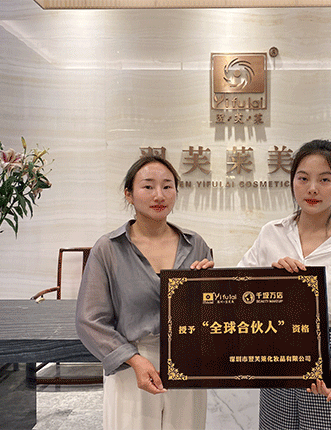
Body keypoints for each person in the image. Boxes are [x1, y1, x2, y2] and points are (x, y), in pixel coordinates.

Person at [239, 139, 331, 430]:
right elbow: (239, 293)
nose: (312, 189)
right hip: (278, 369)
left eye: (324, 179)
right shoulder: (271, 234)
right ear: (292, 181)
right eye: (303, 178)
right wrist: (269, 281)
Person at [76, 155, 214, 430]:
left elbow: (211, 314)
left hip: (188, 361)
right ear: (129, 194)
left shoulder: (195, 244)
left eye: (167, 186)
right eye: (148, 186)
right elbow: (89, 320)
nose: (159, 195)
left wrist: (211, 287)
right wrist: (134, 360)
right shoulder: (109, 248)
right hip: (131, 364)